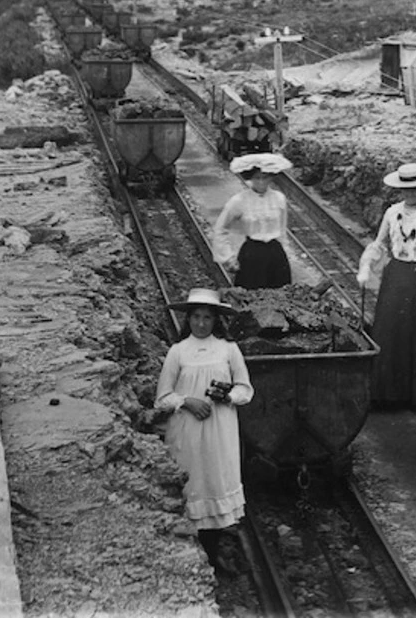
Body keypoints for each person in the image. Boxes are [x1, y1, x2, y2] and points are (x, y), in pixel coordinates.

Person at [155, 287, 254, 573]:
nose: (201, 323)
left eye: (207, 317)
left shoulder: (228, 350)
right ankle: (195, 554)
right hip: (188, 431)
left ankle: (215, 552)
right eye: (196, 317)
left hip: (219, 430)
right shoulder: (178, 352)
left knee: (216, 480)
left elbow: (246, 389)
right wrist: (187, 401)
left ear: (215, 320)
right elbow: (162, 398)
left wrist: (228, 396)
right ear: (188, 319)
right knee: (193, 482)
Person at [356, 162, 416, 411]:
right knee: (389, 331)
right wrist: (366, 266)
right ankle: (387, 394)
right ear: (400, 191)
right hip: (395, 275)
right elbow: (379, 243)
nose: (412, 194)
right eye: (407, 190)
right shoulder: (391, 213)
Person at [212, 152, 293, 288]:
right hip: (252, 255)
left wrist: (285, 252)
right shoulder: (239, 200)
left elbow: (282, 229)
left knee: (279, 296)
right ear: (251, 179)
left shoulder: (279, 198)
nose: (261, 182)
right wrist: (227, 257)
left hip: (276, 254)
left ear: (271, 178)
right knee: (252, 295)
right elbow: (220, 228)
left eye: (265, 177)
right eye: (257, 178)